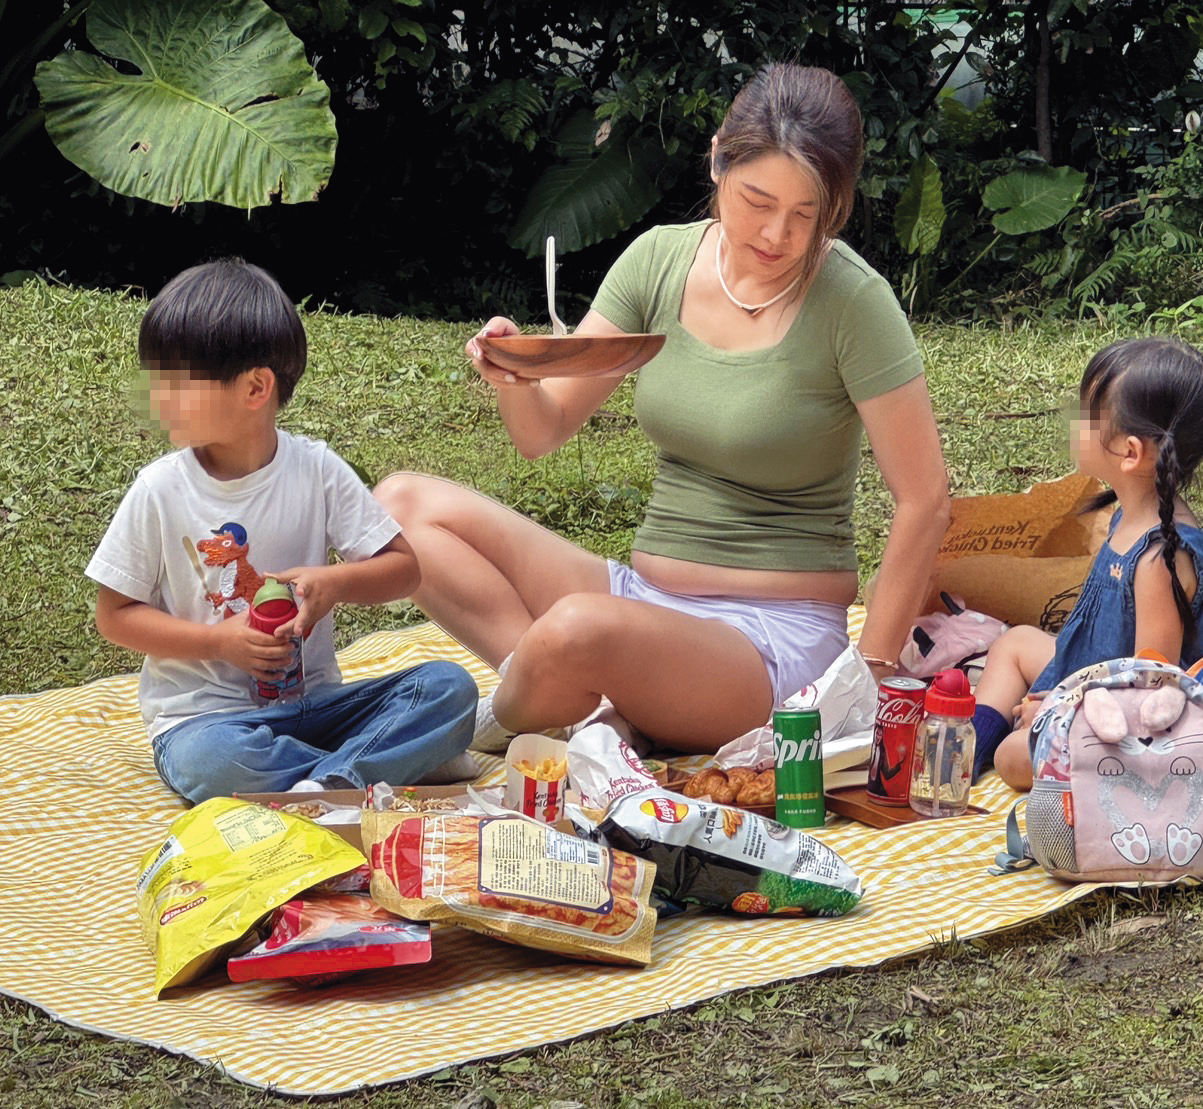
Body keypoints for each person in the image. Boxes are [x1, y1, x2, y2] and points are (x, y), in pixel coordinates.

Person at [375, 62, 951, 754]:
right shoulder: (658, 261)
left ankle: (524, 712)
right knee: (399, 507)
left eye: (806, 215)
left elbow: (924, 499)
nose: (776, 235)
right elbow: (544, 429)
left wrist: (872, 679)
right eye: (756, 201)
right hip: (638, 596)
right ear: (717, 160)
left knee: (578, 628)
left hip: (768, 640)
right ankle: (583, 714)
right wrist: (516, 375)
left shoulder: (853, 302)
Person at [86, 258, 479, 803]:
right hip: (207, 723)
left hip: (314, 708)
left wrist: (335, 583)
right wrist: (217, 642)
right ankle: (369, 769)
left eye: (175, 383)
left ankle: (329, 783)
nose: (157, 399)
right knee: (214, 764)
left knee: (448, 689)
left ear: (255, 389)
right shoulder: (159, 489)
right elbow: (115, 616)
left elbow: (403, 570)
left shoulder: (316, 470)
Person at [972, 337, 1203, 791]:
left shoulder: (1160, 558)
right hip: (1089, 675)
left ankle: (999, 745)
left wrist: (1055, 713)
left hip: (1132, 721)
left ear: (1129, 453)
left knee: (1012, 758)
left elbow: (1151, 692)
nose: (1073, 421)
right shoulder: (1125, 515)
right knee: (1015, 643)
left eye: (1086, 414)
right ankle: (967, 748)